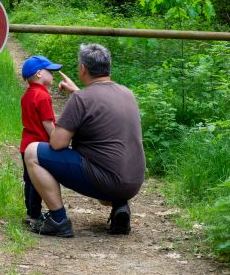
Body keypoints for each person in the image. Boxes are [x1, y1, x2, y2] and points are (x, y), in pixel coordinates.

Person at [24, 43, 145, 238]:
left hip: (107, 180)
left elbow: (57, 143)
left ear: (82, 69)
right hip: (133, 182)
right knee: (110, 155)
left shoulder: (81, 99)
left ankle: (58, 220)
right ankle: (120, 205)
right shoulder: (127, 93)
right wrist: (77, 92)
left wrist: (76, 97)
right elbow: (100, 108)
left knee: (32, 152)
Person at [19, 55, 62, 227]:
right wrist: (57, 139)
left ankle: (31, 213)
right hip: (39, 146)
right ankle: (35, 215)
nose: (53, 74)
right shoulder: (43, 96)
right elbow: (47, 123)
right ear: (39, 74)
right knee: (38, 180)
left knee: (28, 180)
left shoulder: (27, 95)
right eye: (50, 71)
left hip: (25, 144)